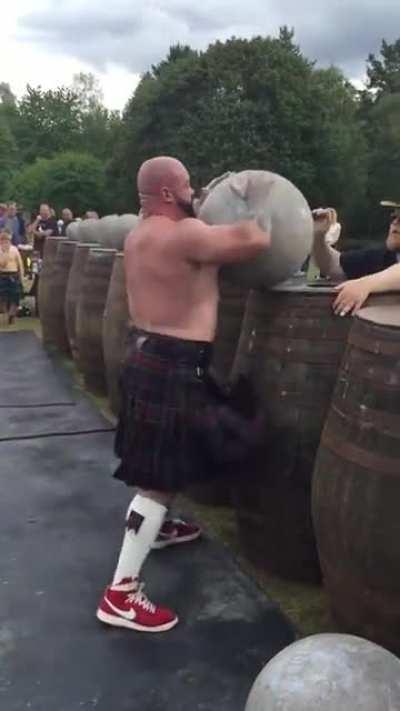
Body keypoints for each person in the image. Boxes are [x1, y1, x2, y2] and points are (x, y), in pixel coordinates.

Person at [96, 156, 271, 633]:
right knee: (157, 474)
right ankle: (121, 592)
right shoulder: (186, 235)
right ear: (170, 193)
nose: (196, 191)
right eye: (190, 185)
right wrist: (247, 193)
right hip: (172, 362)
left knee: (168, 456)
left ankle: (158, 527)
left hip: (148, 353)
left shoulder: (138, 235)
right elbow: (258, 238)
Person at [0, 230, 24, 324]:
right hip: (3, 275)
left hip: (13, 275)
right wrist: (5, 252)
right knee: (3, 297)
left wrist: (21, 276)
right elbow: (2, 264)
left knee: (15, 297)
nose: (6, 243)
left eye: (8, 241)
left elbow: (20, 264)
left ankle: (11, 314)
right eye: (4, 241)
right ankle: (6, 315)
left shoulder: (14, 249)